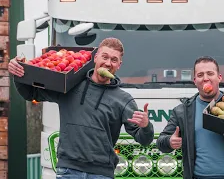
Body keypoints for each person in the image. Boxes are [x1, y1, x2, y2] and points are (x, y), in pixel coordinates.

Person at [9, 37, 154, 179]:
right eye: (105, 57)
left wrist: (146, 126)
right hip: (68, 171)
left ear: (119, 65)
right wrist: (19, 74)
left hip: (101, 174)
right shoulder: (70, 85)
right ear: (95, 58)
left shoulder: (124, 100)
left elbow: (144, 139)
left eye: (114, 60)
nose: (108, 63)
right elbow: (31, 93)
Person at [156, 56, 224, 179]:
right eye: (200, 75)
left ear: (219, 77)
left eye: (210, 73)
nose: (205, 78)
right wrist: (170, 141)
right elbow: (161, 142)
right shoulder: (182, 111)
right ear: (194, 80)